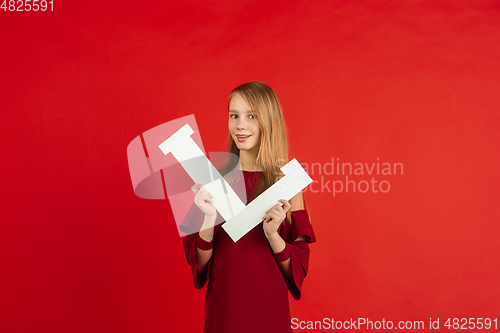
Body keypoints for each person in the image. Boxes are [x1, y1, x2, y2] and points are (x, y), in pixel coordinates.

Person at [182, 82, 316, 333]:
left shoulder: (288, 186)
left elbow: (296, 272)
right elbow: (200, 267)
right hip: (224, 313)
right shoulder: (214, 184)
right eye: (234, 115)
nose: (239, 125)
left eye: (251, 116)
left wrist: (272, 236)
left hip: (269, 313)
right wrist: (209, 219)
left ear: (269, 121)